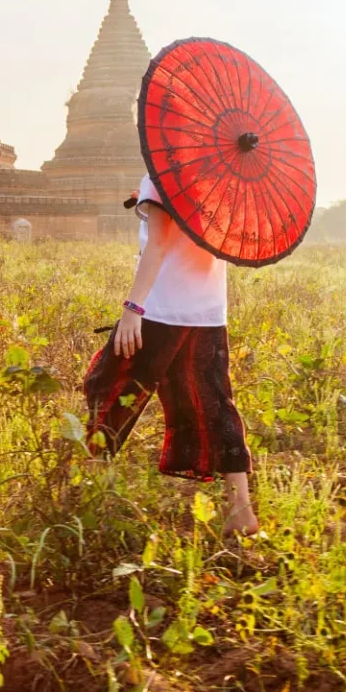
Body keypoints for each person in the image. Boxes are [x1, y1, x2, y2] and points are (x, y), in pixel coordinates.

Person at [83, 173, 258, 536]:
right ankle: (240, 510)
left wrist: (133, 308)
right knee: (215, 402)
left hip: (160, 311)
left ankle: (87, 486)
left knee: (111, 386)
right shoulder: (219, 182)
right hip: (207, 312)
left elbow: (158, 246)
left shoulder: (163, 177)